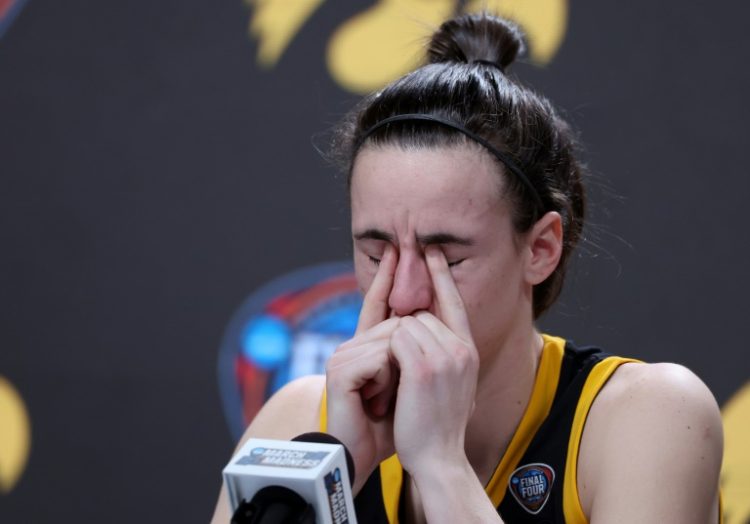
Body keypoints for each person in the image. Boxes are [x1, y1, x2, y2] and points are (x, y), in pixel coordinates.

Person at [211, 13, 723, 523]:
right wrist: (336, 477)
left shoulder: (647, 417)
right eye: (376, 254)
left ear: (540, 249)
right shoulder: (300, 420)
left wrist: (440, 467)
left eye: (448, 259)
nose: (405, 295)